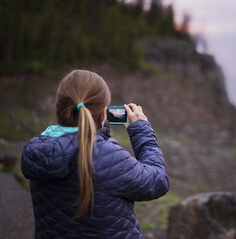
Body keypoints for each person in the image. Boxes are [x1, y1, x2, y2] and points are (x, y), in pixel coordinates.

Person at [21, 70, 169, 239]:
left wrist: (98, 132)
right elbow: (158, 181)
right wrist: (142, 131)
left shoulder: (39, 151)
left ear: (60, 108)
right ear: (104, 114)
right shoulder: (106, 156)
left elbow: (81, 148)